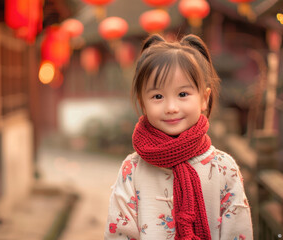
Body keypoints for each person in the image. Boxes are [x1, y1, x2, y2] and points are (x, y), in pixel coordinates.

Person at [104, 34, 253, 240]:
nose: (171, 108)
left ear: (204, 98)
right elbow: (119, 234)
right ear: (142, 102)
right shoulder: (133, 170)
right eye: (158, 96)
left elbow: (238, 232)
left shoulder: (223, 168)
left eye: (183, 94)